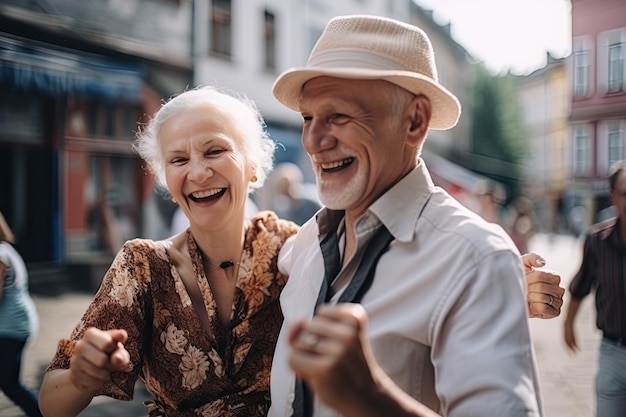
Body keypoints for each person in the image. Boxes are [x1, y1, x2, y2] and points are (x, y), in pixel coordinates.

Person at [268, 15, 547, 417]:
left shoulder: (476, 259)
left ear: (414, 121)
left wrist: (372, 397)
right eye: (308, 117)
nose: (312, 141)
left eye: (339, 116)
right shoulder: (307, 241)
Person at [39, 86, 299, 417]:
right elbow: (51, 404)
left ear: (253, 164)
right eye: (178, 159)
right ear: (166, 179)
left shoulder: (290, 248)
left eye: (215, 150)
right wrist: (81, 376)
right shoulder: (143, 267)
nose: (199, 173)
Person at [563, 160, 626, 417]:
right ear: (613, 197)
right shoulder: (597, 241)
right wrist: (568, 324)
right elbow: (581, 286)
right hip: (613, 352)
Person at [0, 211, 43, 417]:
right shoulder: (7, 249)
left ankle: (41, 412)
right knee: (9, 380)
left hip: (11, 326)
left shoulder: (0, 254)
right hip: (18, 321)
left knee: (8, 382)